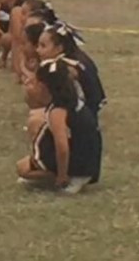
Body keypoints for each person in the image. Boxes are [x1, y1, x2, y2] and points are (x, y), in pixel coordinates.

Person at [16, 58, 101, 194]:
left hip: (80, 164)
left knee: (21, 168)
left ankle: (67, 177)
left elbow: (62, 147)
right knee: (27, 162)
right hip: (90, 160)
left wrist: (62, 175)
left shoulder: (58, 111)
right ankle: (71, 175)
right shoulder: (72, 100)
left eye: (36, 83)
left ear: (45, 88)